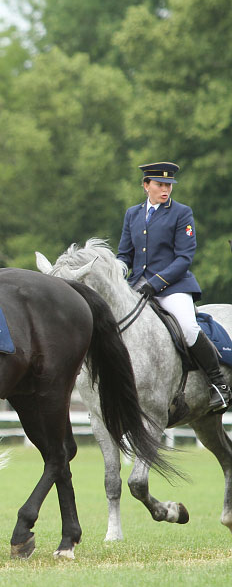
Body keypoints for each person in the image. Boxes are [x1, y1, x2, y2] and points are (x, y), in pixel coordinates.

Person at [117, 161, 230, 412]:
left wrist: (156, 283)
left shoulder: (181, 213)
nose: (165, 189)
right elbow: (124, 254)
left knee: (188, 327)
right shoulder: (132, 214)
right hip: (137, 286)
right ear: (146, 185)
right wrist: (116, 272)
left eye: (168, 185)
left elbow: (184, 258)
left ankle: (218, 384)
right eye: (159, 184)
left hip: (173, 286)